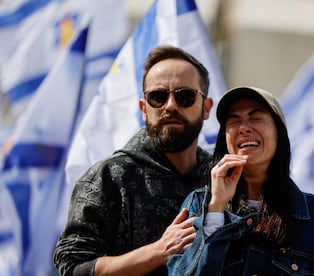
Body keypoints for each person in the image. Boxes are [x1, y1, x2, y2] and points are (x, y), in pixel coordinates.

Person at [53, 45, 214, 276]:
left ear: (206, 107)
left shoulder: (220, 178)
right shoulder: (108, 177)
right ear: (143, 109)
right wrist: (158, 251)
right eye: (158, 97)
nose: (170, 105)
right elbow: (74, 268)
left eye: (184, 96)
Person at [167, 86, 314, 275]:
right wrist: (216, 209)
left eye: (256, 117)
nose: (243, 128)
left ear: (279, 133)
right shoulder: (198, 205)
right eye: (233, 121)